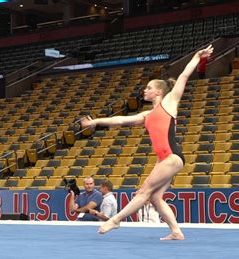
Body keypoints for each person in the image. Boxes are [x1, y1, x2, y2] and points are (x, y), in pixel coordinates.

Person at [81, 44, 214, 240]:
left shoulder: (169, 103)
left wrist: (197, 57)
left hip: (172, 156)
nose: (145, 90)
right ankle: (176, 231)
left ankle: (115, 220)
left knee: (144, 191)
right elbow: (120, 121)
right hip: (164, 159)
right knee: (155, 197)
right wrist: (96, 122)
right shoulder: (147, 115)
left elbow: (184, 76)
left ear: (159, 92)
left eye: (149, 88)